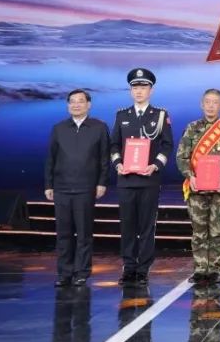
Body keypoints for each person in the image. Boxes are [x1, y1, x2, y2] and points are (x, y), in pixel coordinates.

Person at [110, 68, 174, 287]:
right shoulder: (122, 115)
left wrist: (155, 165)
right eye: (135, 87)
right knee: (127, 226)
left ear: (151, 90)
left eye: (143, 87)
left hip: (149, 180)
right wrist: (118, 163)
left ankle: (143, 268)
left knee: (147, 227)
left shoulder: (160, 115)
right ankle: (129, 267)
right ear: (130, 91)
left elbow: (167, 145)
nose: (139, 91)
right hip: (126, 180)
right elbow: (114, 145)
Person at [176, 89, 220, 285]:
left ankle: (214, 269)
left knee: (216, 231)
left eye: (215, 102)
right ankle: (200, 269)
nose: (211, 106)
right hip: (197, 188)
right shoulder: (192, 128)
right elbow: (182, 156)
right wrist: (190, 175)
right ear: (202, 104)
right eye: (208, 102)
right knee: (198, 231)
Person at [45, 89, 110, 287]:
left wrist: (102, 182)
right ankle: (64, 273)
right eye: (72, 102)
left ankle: (81, 272)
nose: (76, 105)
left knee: (84, 234)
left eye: (80, 101)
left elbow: (104, 158)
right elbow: (50, 158)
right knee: (63, 234)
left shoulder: (99, 127)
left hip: (86, 187)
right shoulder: (59, 128)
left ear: (88, 105)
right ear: (68, 106)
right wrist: (49, 184)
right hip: (61, 188)